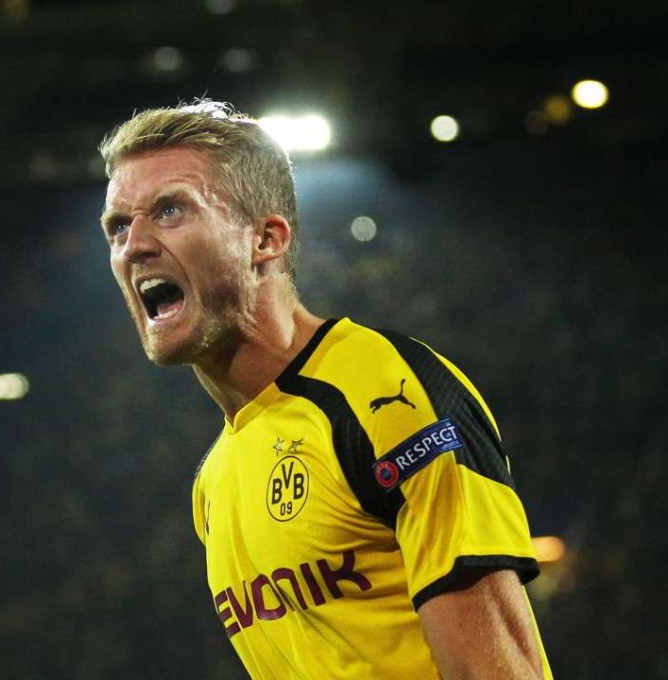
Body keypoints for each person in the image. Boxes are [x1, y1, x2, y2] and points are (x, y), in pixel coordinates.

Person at [98, 100, 552, 679]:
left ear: (265, 239)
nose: (133, 244)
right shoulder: (213, 485)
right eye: (117, 226)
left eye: (169, 211)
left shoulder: (384, 393)